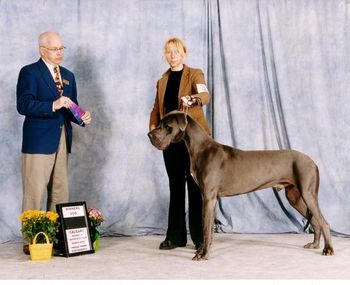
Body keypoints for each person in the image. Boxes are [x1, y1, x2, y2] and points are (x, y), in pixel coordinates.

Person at [16, 31, 92, 254]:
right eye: (54, 49)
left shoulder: (68, 75)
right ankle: (31, 240)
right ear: (42, 50)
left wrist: (82, 116)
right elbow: (24, 105)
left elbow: (71, 107)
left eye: (61, 48)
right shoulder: (29, 72)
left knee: (60, 192)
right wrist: (52, 104)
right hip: (38, 141)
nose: (59, 53)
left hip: (62, 139)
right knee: (35, 192)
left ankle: (54, 237)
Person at [149, 38, 211, 250]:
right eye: (168, 52)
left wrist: (193, 99)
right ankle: (175, 236)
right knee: (175, 186)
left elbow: (205, 95)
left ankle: (200, 237)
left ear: (184, 53)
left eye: (176, 51)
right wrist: (153, 129)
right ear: (165, 55)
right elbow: (156, 109)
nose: (172, 55)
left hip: (193, 140)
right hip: (171, 140)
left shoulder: (194, 73)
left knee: (195, 187)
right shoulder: (162, 80)